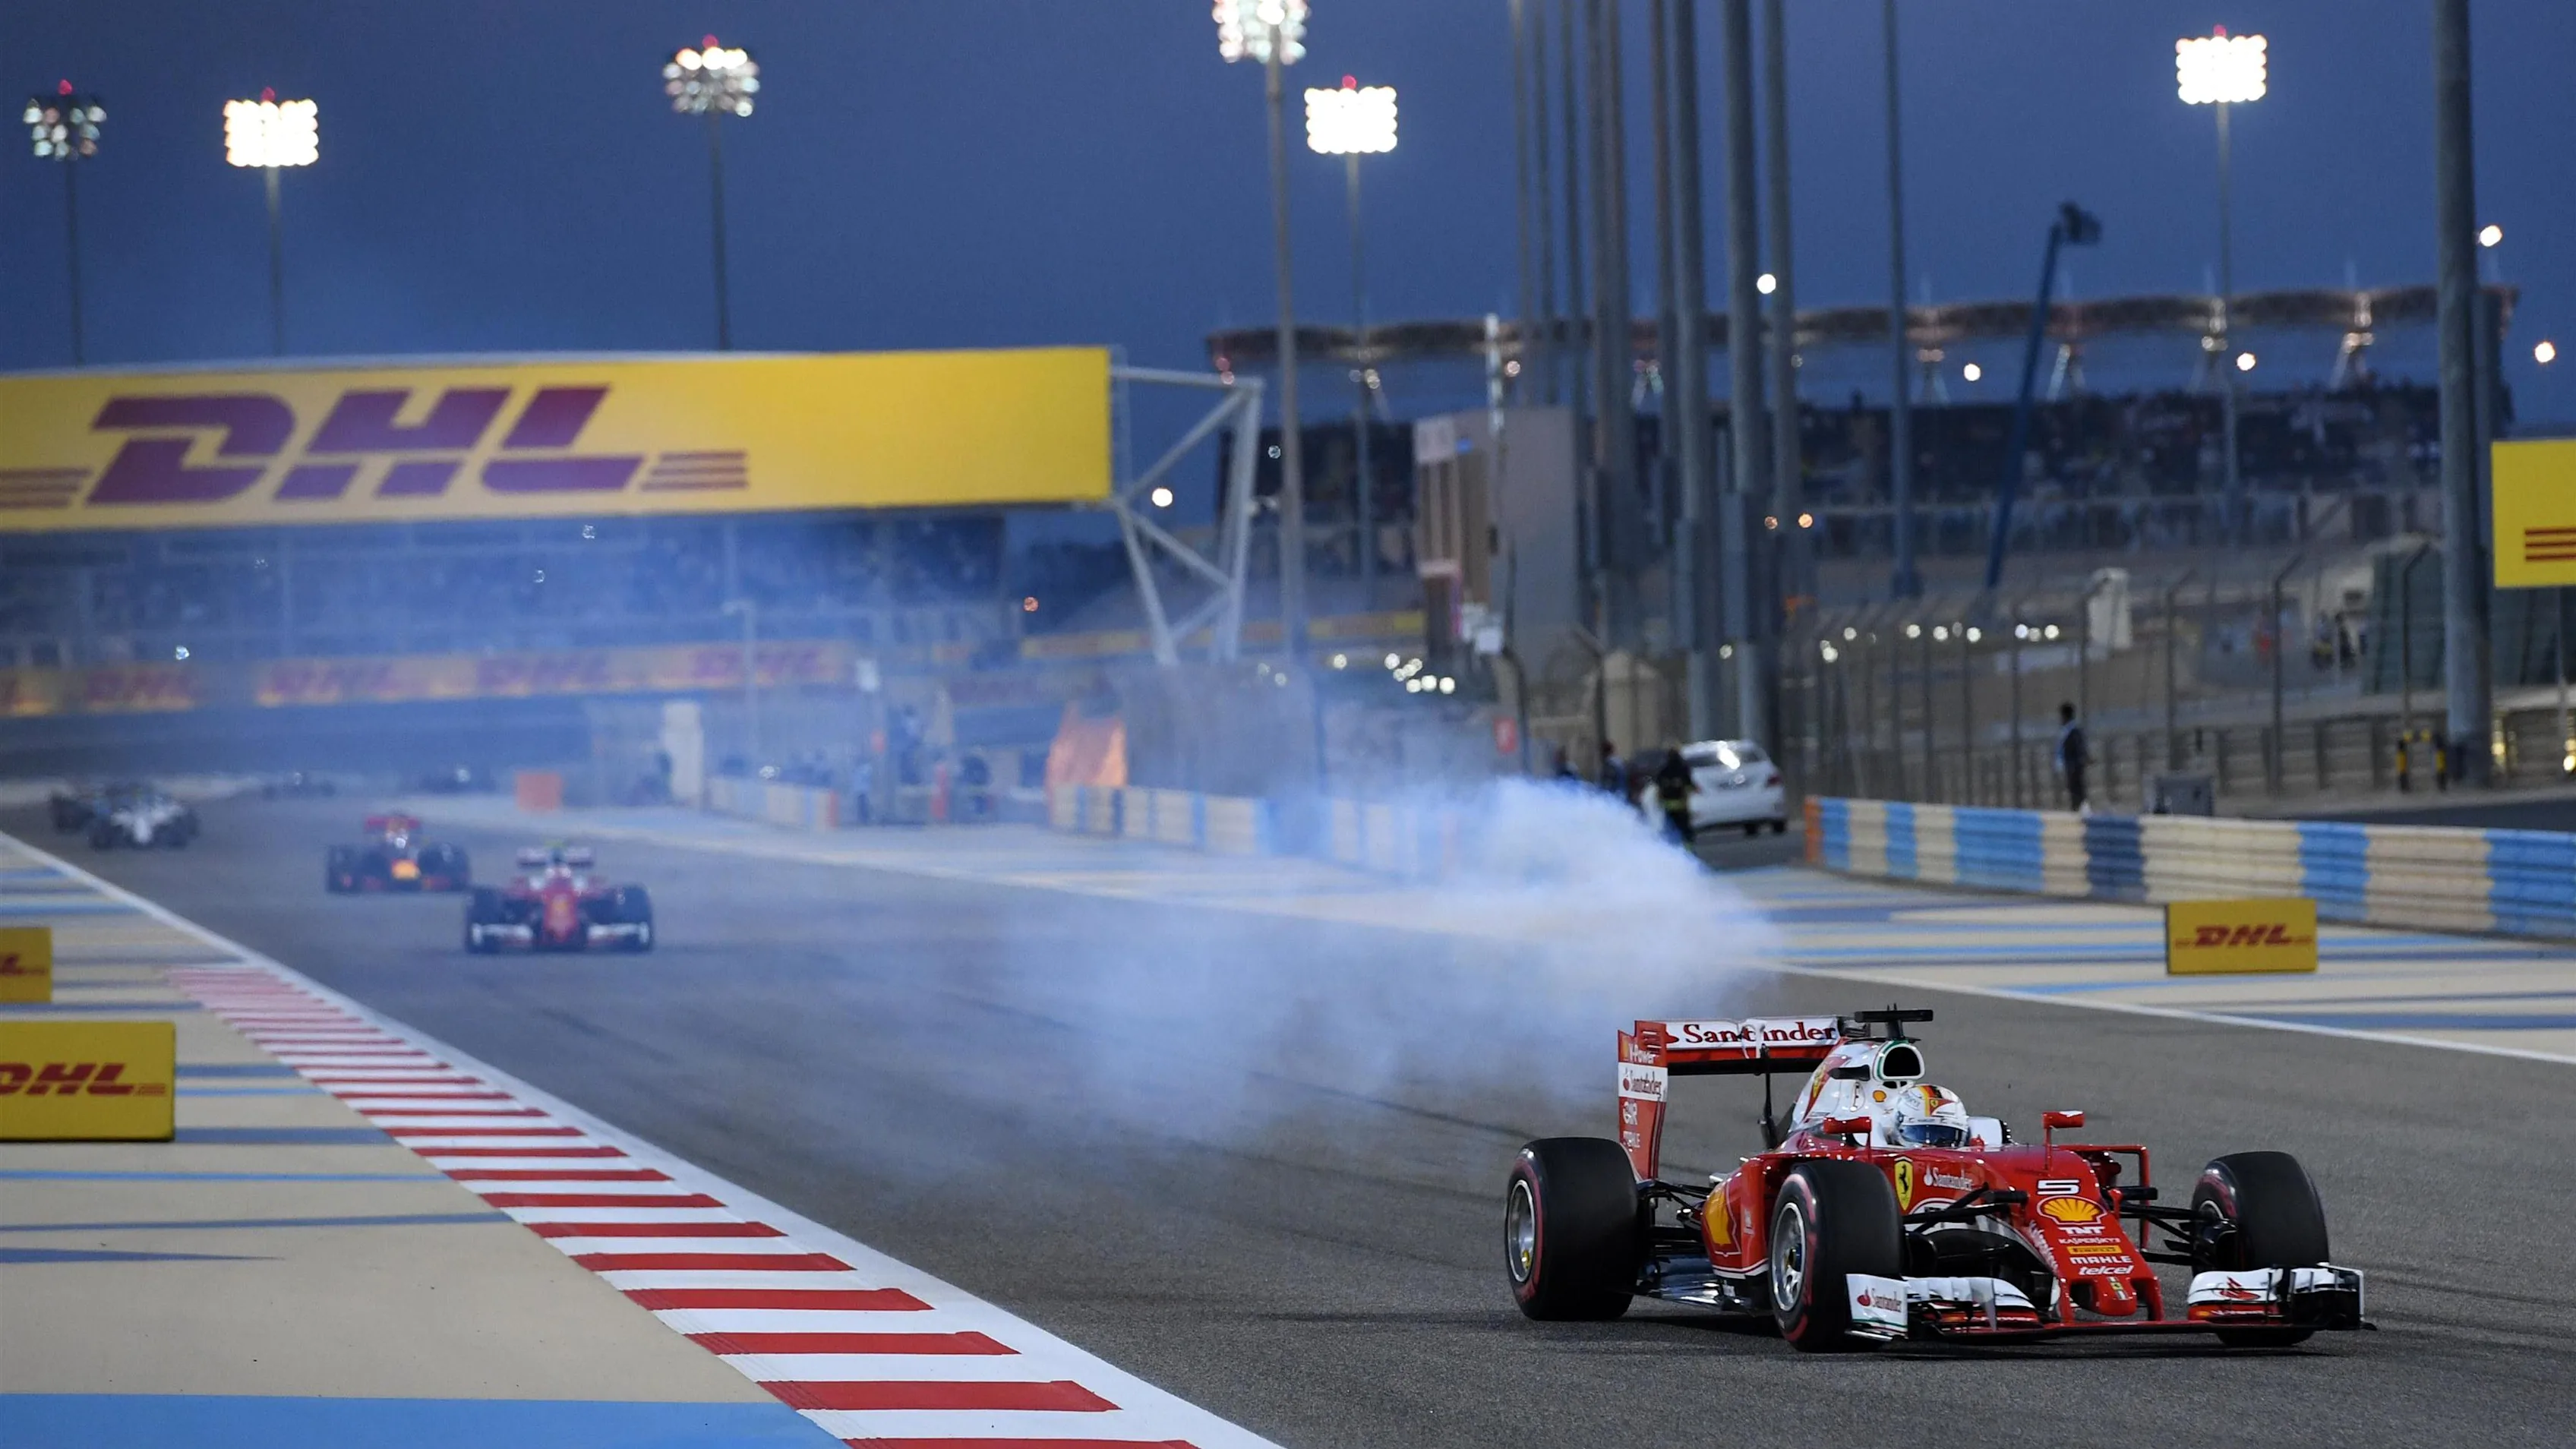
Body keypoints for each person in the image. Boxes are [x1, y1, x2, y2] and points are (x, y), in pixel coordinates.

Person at [1653, 745, 1697, 844]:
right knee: (1686, 831)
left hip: (1668, 806)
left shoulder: (1663, 770)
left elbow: (1658, 788)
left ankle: (1672, 848)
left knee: (1670, 830)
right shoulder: (1683, 769)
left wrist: (1659, 802)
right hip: (1681, 806)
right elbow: (1688, 786)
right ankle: (1687, 851)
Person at [2054, 702, 2088, 813]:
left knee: (2077, 789)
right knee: (2073, 789)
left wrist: (2081, 760)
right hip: (2069, 765)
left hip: (2074, 766)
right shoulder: (2066, 731)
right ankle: (2077, 808)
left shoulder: (2074, 731)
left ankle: (2081, 810)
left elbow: (2079, 748)